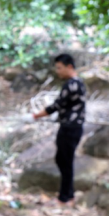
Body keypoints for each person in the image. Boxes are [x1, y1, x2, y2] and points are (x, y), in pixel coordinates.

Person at [32, 53, 87, 205]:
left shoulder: (71, 85)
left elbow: (57, 105)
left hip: (70, 128)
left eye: (59, 68)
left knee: (65, 161)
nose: (57, 71)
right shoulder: (77, 83)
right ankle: (67, 194)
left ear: (69, 67)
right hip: (71, 126)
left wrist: (37, 115)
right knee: (63, 160)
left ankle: (65, 197)